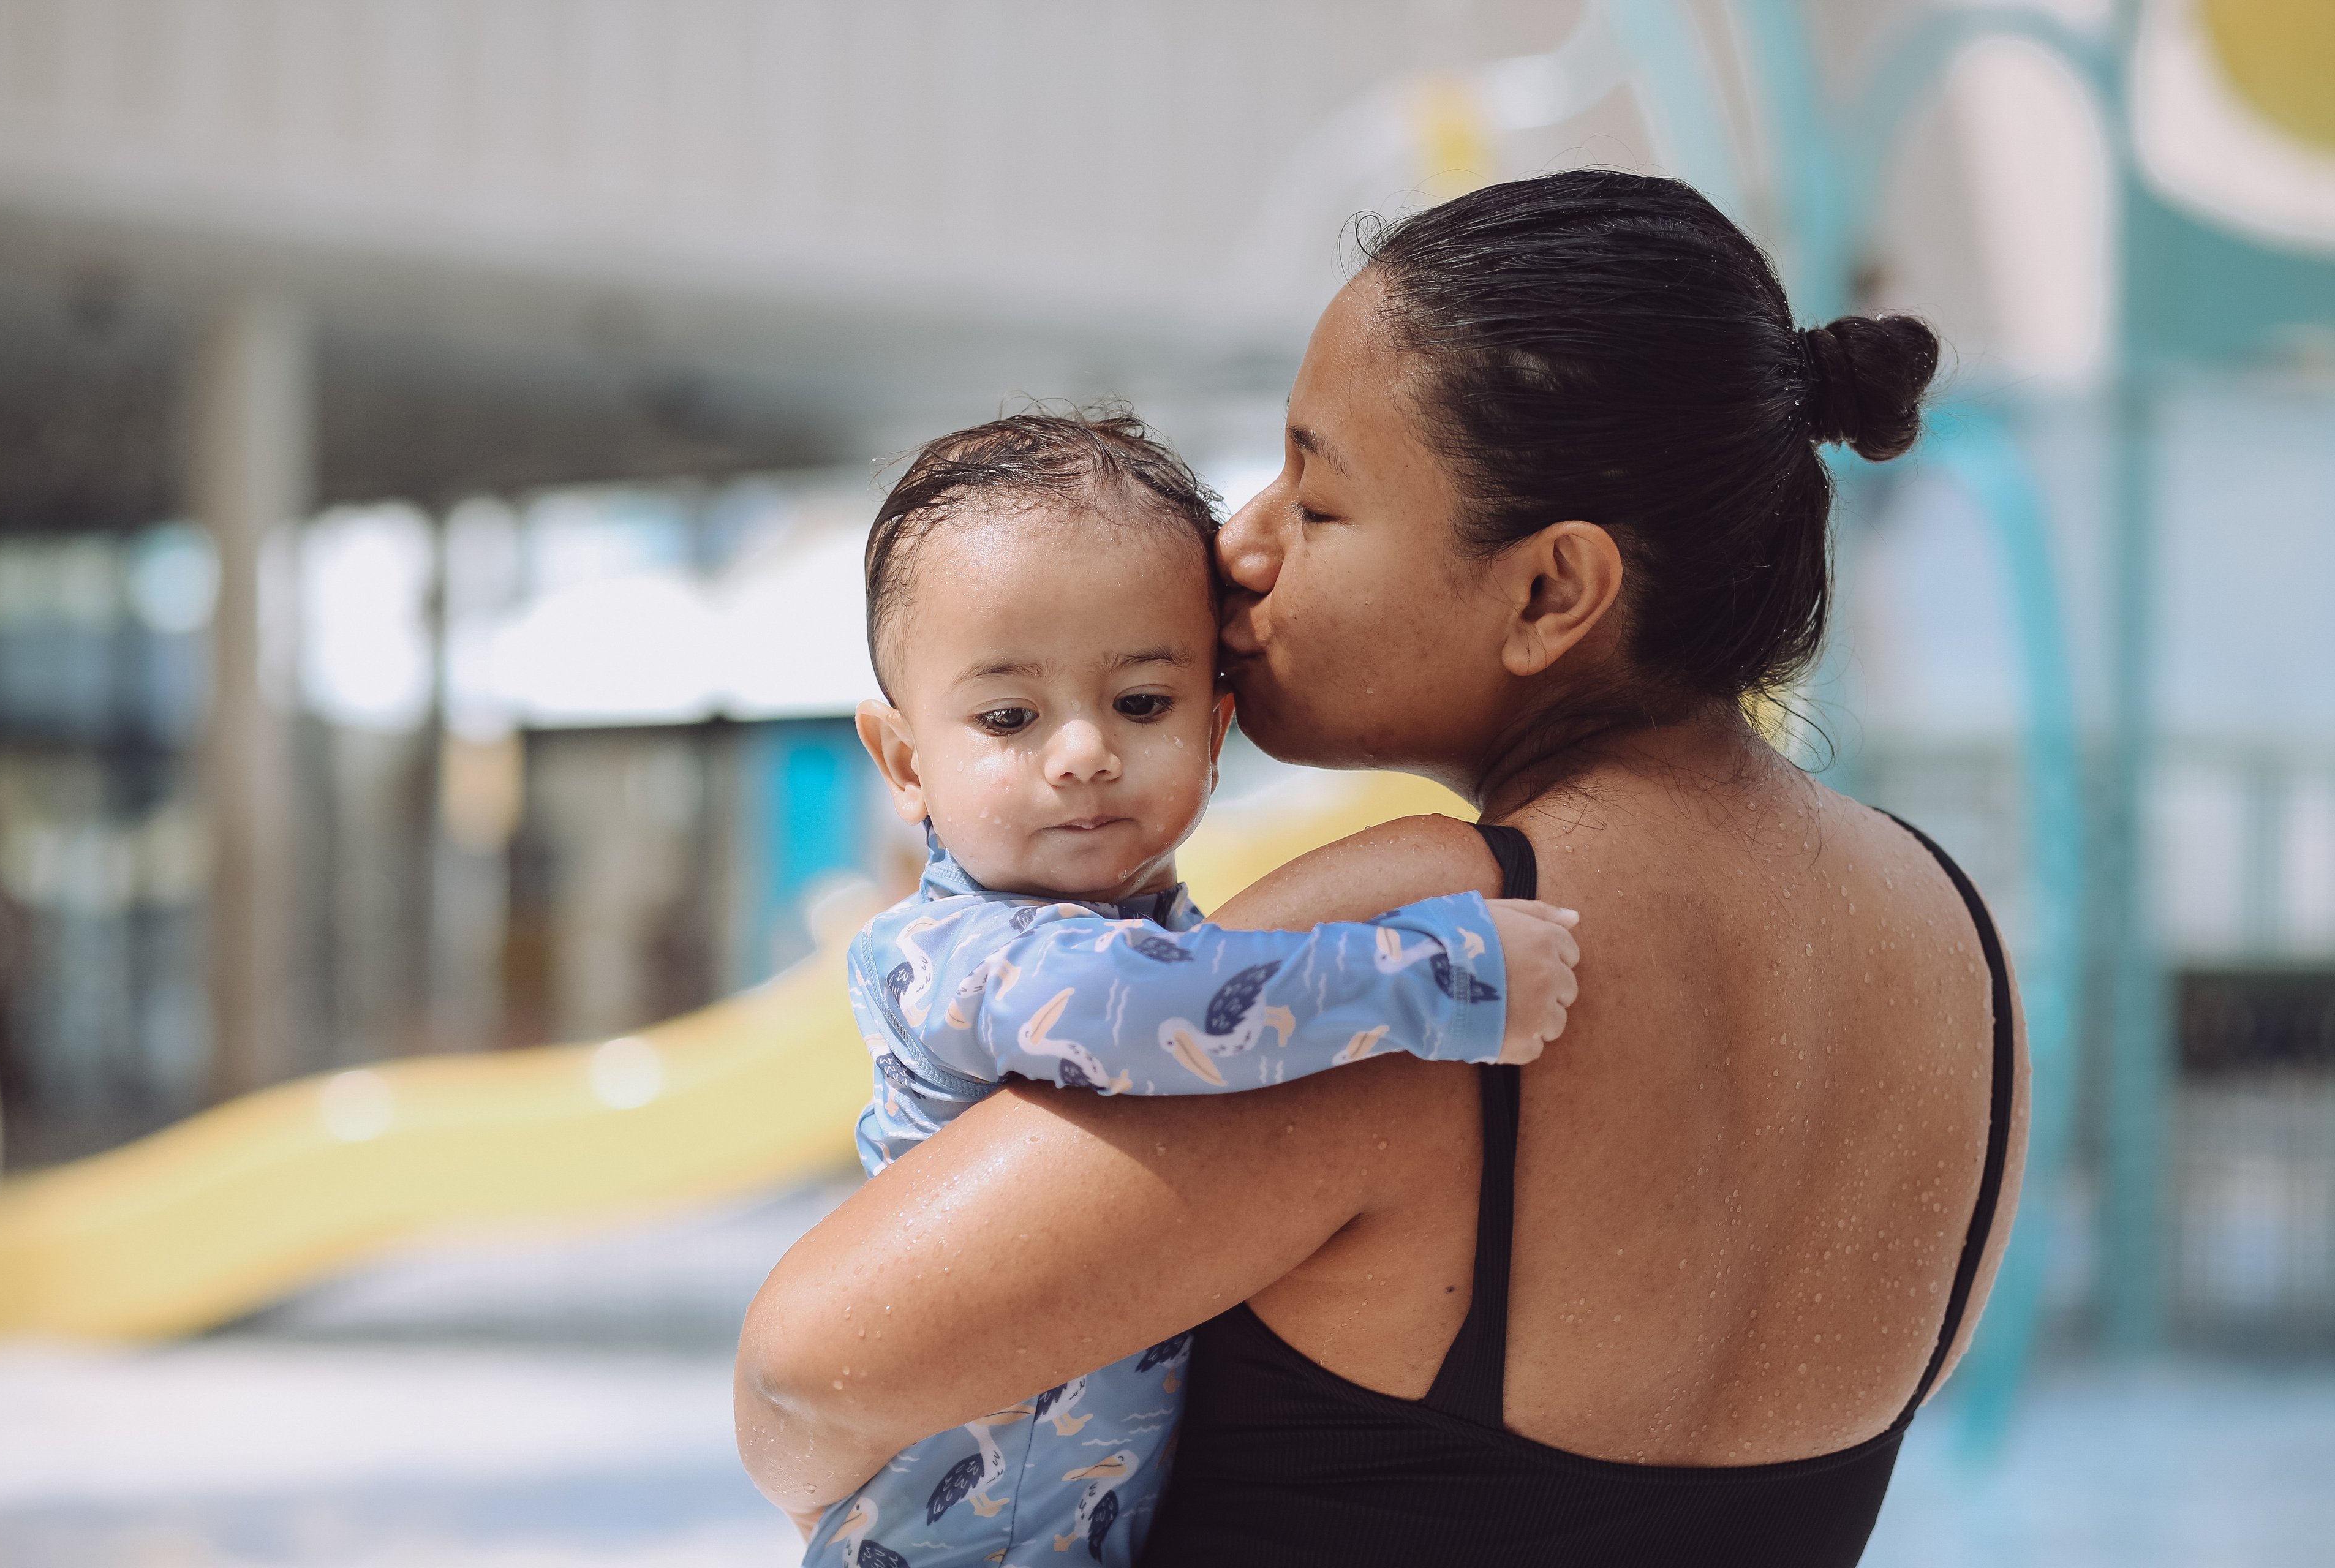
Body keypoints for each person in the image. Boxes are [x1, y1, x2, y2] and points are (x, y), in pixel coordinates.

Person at [737, 170, 2028, 1567]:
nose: (1241, 544)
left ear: (1549, 591)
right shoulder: (1954, 942)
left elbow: (813, 1365)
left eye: (1318, 493)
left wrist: (844, 1498)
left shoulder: (1438, 921)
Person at [791, 410, 1583, 1567]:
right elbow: (1143, 1013)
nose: (1084, 754)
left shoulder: (1182, 939)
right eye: (1010, 717)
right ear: (907, 764)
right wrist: (1438, 973)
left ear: (1216, 733)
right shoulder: (957, 956)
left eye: (1142, 704)